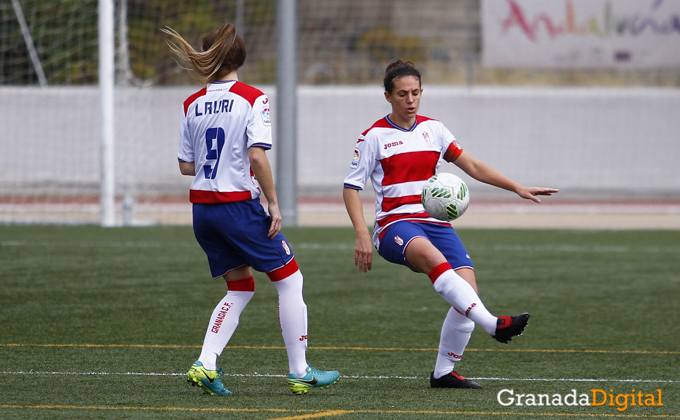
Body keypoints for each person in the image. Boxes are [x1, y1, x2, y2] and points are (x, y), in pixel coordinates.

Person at [343, 60, 558, 389]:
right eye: (402, 94)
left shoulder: (435, 130)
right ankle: (493, 325)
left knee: (467, 291)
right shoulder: (373, 137)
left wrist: (517, 186)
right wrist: (361, 234)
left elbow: (470, 164)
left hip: (436, 224)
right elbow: (351, 188)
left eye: (416, 93)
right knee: (434, 260)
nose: (410, 100)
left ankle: (444, 373)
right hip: (394, 226)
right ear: (387, 96)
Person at [163, 22, 339, 396]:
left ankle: (206, 364)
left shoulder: (191, 103)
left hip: (203, 212)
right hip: (236, 208)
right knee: (291, 281)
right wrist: (273, 203)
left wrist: (225, 160)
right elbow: (257, 156)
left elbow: (185, 165)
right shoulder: (252, 97)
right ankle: (300, 370)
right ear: (241, 56)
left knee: (240, 287)